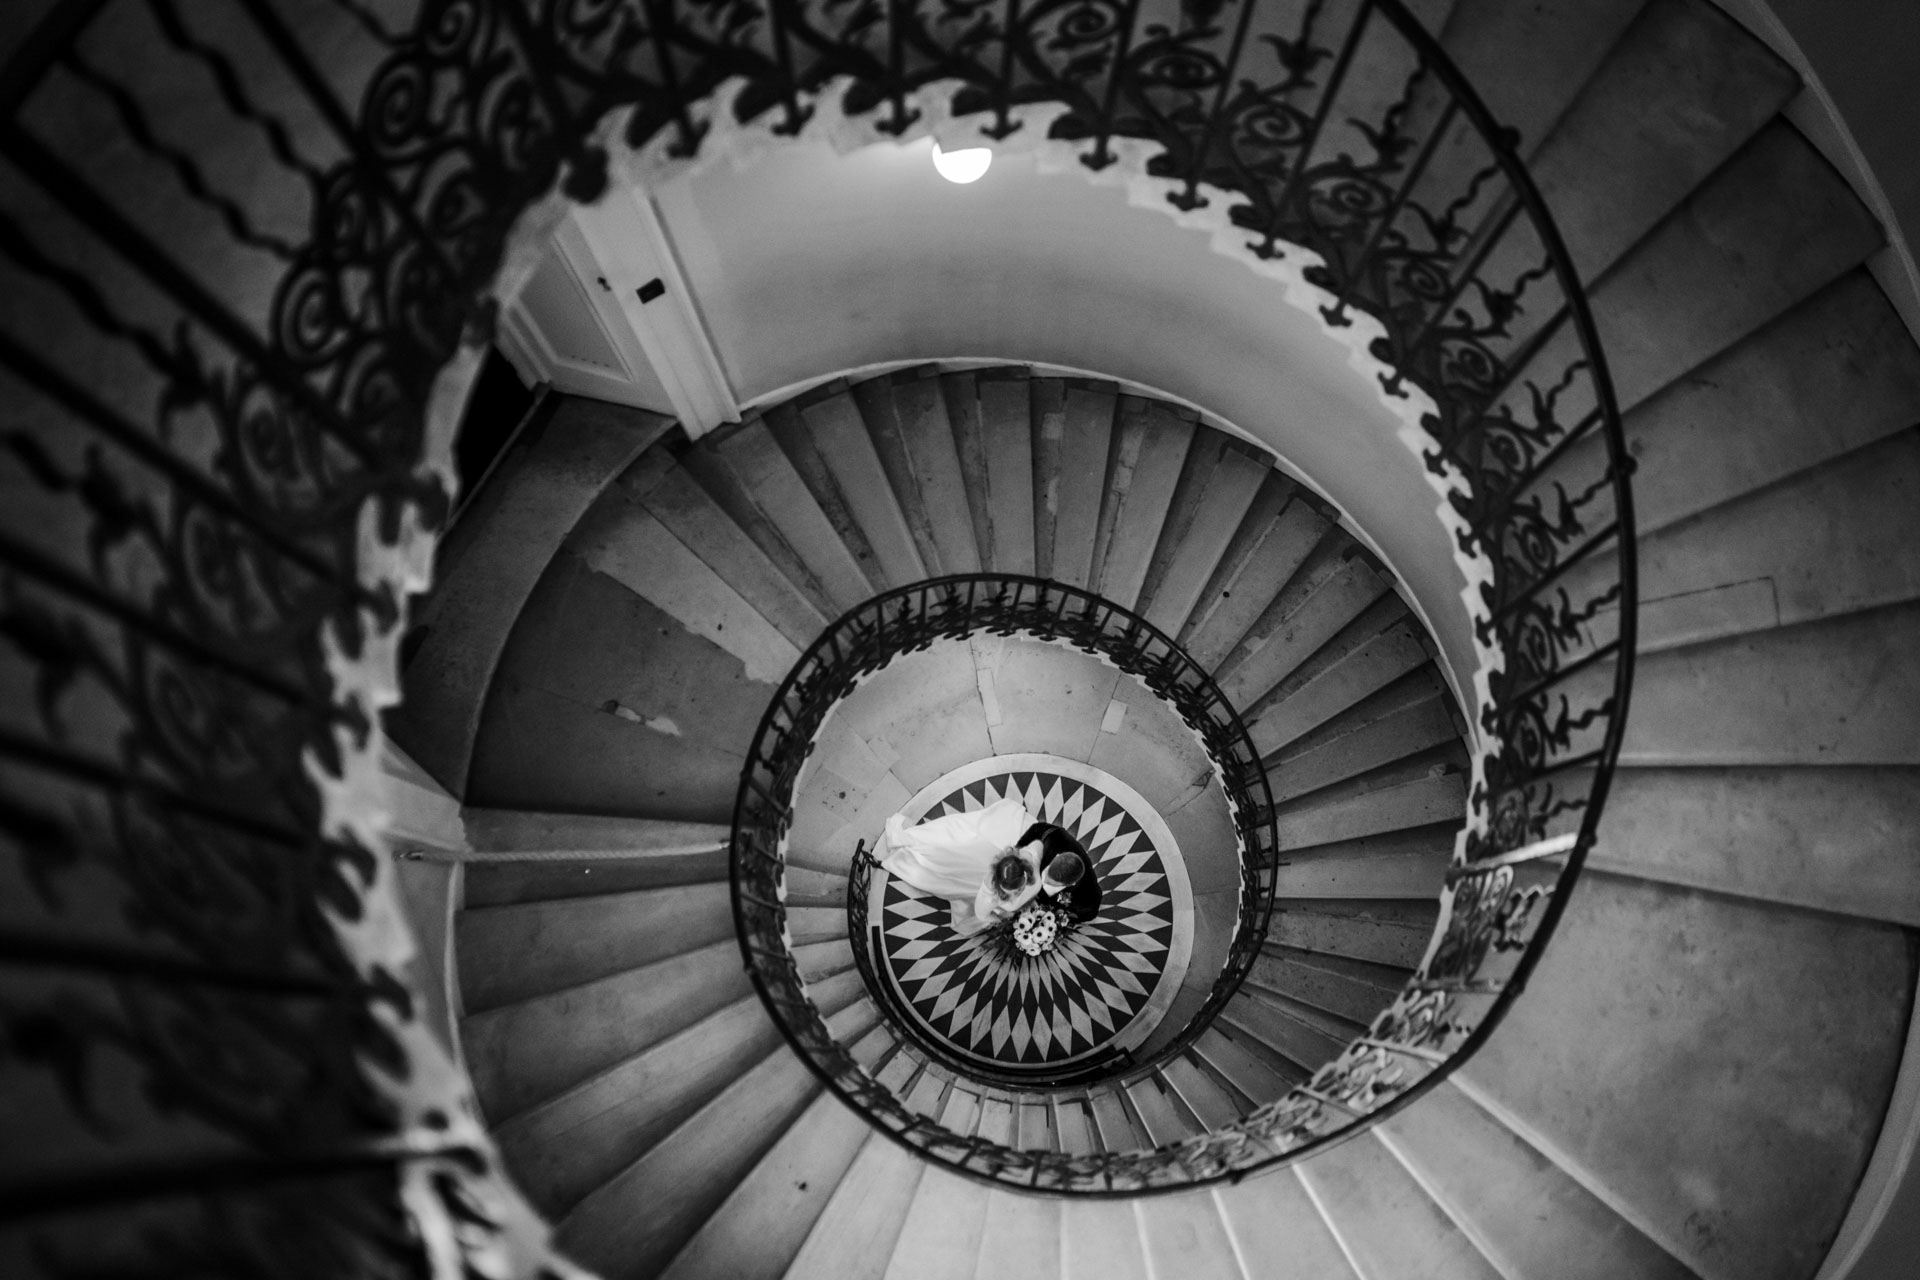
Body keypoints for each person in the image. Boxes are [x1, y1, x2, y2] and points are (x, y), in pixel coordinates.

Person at [875, 797, 1043, 935]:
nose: (1020, 892)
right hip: (972, 871)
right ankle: (913, 849)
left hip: (982, 853)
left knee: (958, 845)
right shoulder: (986, 896)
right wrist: (1006, 917)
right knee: (942, 867)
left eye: (1019, 888)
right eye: (1017, 890)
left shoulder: (1024, 861)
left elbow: (1037, 848)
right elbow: (983, 915)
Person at [1021, 822, 1101, 924]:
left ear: (1071, 884)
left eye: (1049, 883)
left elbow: (1090, 914)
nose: (1043, 881)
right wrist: (1019, 850)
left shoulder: (1087, 898)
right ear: (1057, 856)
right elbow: (1038, 828)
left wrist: (1059, 917)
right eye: (1046, 874)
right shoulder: (1054, 840)